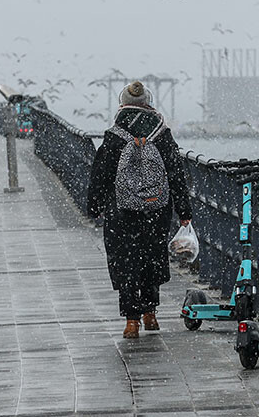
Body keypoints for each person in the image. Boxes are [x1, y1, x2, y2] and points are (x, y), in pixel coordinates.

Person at [87, 81, 192, 339]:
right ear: (149, 104)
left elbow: (100, 173)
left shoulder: (114, 135)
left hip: (122, 210)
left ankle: (131, 321)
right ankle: (150, 313)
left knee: (126, 261)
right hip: (156, 209)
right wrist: (184, 210)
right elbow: (176, 174)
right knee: (151, 257)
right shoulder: (162, 134)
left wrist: (95, 205)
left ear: (123, 104)